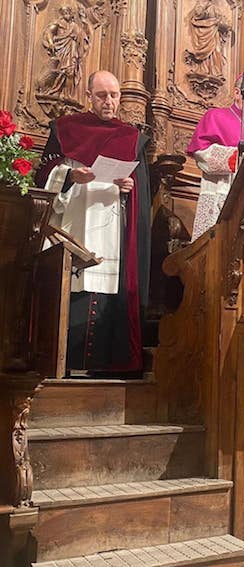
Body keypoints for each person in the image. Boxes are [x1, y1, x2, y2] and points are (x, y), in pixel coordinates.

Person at [36, 70, 151, 374]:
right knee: (75, 290)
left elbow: (138, 193)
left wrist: (129, 189)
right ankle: (65, 365)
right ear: (89, 96)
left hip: (112, 229)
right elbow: (43, 174)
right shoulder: (67, 129)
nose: (109, 101)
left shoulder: (129, 137)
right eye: (102, 95)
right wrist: (70, 176)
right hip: (77, 221)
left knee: (107, 289)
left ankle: (103, 365)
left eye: (114, 95)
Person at [187, 71, 244, 240]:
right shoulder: (215, 116)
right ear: (237, 92)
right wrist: (237, 156)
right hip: (220, 195)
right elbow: (201, 153)